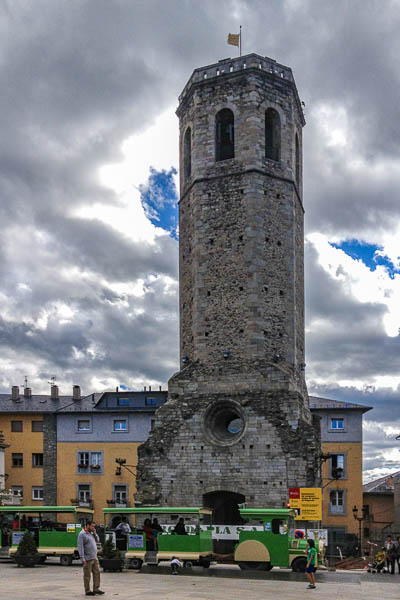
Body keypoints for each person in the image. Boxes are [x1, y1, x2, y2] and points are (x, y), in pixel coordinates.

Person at [77, 520, 105, 596]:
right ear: (87, 525)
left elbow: (98, 540)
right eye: (92, 526)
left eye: (94, 526)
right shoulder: (82, 534)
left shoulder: (91, 533)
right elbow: (80, 547)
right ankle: (87, 590)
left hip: (94, 557)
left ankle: (96, 588)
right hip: (87, 558)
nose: (93, 528)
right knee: (87, 575)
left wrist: (95, 534)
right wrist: (82, 558)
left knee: (97, 573)